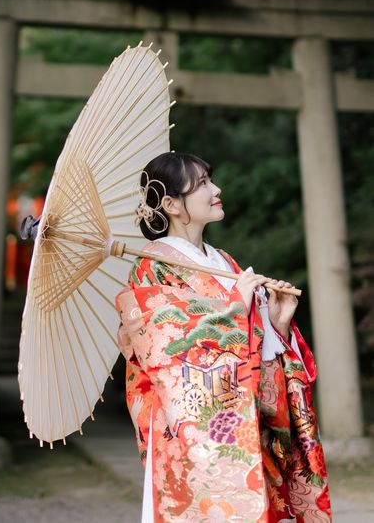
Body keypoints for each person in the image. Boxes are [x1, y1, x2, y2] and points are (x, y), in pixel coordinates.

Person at [115, 152, 331, 522]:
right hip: (192, 430)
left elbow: (253, 342)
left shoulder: (224, 262)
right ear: (171, 205)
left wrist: (276, 326)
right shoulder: (151, 269)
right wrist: (236, 307)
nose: (216, 190)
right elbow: (166, 352)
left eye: (210, 180)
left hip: (246, 417)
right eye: (202, 184)